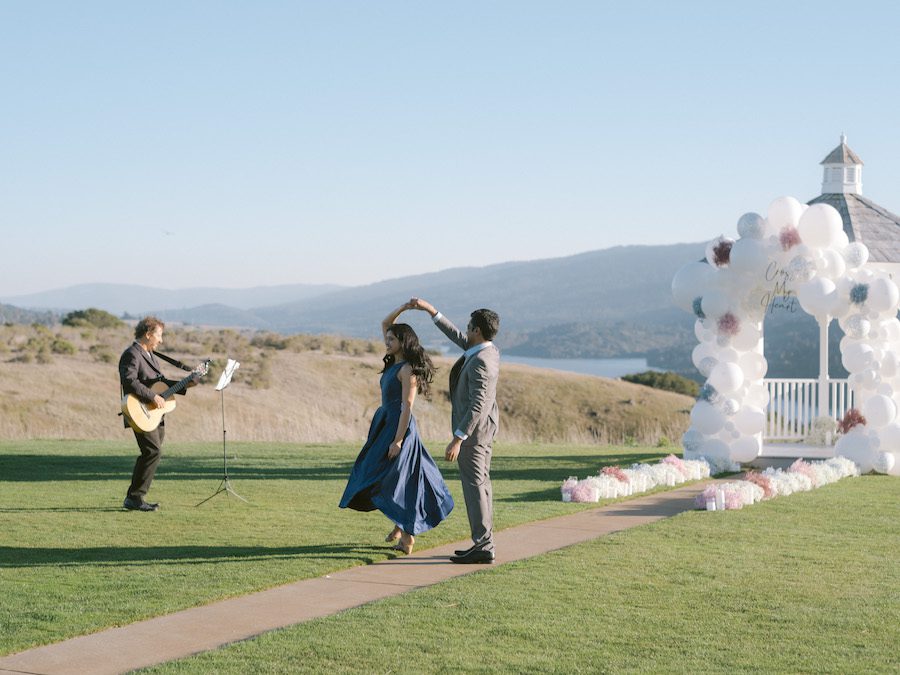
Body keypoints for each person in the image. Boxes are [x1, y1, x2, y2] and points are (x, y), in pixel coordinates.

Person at [339, 303, 454, 554]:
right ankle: (400, 525)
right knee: (379, 474)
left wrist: (399, 440)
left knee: (400, 480)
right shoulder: (394, 362)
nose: (387, 342)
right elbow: (384, 323)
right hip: (384, 423)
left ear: (403, 341)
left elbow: (407, 406)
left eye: (392, 339)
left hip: (398, 427)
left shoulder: (407, 370)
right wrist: (405, 307)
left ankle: (407, 536)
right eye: (387, 339)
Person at [410, 298, 500, 564]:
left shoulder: (481, 361)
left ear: (477, 331)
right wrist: (431, 311)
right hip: (484, 432)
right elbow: (457, 336)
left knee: (475, 487)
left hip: (474, 435)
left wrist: (458, 438)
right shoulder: (487, 350)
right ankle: (484, 542)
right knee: (481, 485)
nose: (466, 330)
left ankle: (483, 545)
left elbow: (478, 405)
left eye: (469, 327)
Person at [119, 317, 197, 512]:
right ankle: (135, 498)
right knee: (152, 452)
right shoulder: (132, 354)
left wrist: (186, 383)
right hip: (139, 410)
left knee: (151, 453)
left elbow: (158, 383)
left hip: (154, 413)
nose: (161, 340)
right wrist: (153, 396)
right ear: (148, 334)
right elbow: (129, 381)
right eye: (159, 335)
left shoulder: (151, 354)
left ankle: (134, 497)